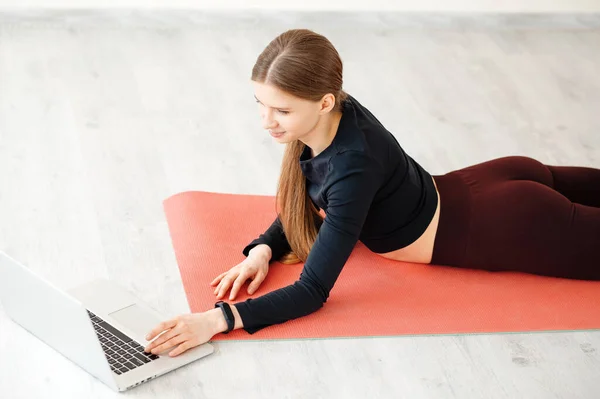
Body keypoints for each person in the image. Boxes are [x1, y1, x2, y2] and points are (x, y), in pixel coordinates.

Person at [143, 28, 600, 358]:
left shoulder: (352, 167)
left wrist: (216, 320)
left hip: (514, 224)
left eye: (281, 109)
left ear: (323, 101)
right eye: (260, 104)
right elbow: (317, 196)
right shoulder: (337, 113)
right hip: (497, 183)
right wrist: (263, 249)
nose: (266, 121)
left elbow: (312, 291)